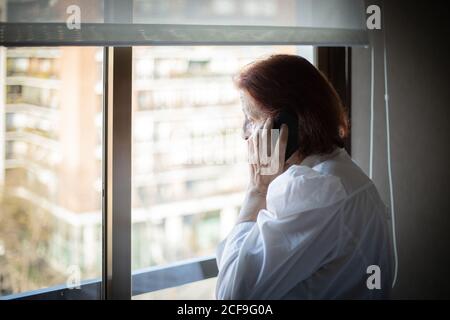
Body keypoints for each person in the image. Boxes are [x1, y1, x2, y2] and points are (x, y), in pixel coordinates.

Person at [215, 54, 394, 299]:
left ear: (288, 124)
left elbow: (232, 296)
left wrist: (257, 191)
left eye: (252, 119)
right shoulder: (339, 172)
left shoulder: (313, 190)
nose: (245, 134)